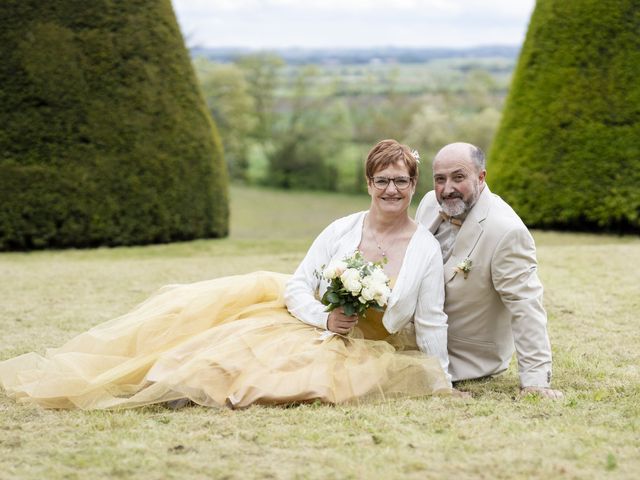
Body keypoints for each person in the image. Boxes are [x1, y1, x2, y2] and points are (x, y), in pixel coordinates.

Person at [0, 139, 452, 410]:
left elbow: (431, 319)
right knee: (225, 353)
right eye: (382, 180)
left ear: (414, 186)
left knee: (296, 383)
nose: (391, 190)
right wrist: (325, 319)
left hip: (366, 347)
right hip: (311, 326)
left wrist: (444, 382)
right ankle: (172, 387)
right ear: (368, 184)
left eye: (401, 181)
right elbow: (297, 286)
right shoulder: (341, 230)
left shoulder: (425, 249)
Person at [415, 142, 563, 399]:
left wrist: (536, 381)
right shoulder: (429, 203)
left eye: (458, 177)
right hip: (415, 335)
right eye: (440, 179)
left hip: (464, 355)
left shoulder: (506, 231)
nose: (447, 189)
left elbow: (526, 306)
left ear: (481, 177)